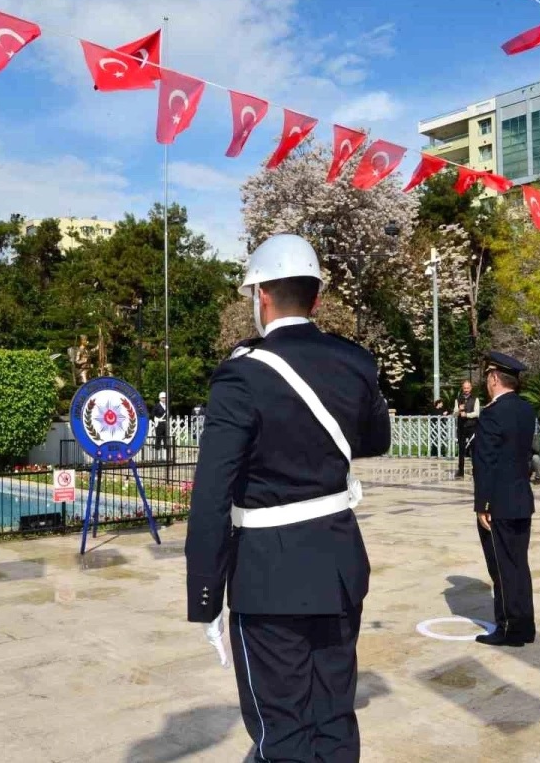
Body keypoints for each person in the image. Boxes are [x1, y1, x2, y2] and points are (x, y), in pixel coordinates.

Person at [184, 233, 392, 761]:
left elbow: (211, 493)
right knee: (335, 721)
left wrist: (205, 595)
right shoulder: (356, 361)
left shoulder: (242, 373)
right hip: (339, 564)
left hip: (268, 578)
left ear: (261, 296)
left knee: (283, 735)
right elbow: (376, 440)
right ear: (316, 299)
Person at [470, 351, 537, 647]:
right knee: (519, 565)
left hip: (499, 504)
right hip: (521, 499)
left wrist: (482, 505)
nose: (487, 382)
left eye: (488, 377)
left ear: (495, 378)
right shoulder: (525, 409)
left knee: (502, 568)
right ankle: (525, 626)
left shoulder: (492, 413)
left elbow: (485, 462)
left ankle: (509, 628)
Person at [455, 380, 481, 478]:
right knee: (461, 449)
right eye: (464, 388)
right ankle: (460, 471)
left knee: (474, 449)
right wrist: (459, 410)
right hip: (461, 427)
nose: (466, 390)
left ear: (471, 388)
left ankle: (476, 470)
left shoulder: (475, 399)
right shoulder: (458, 399)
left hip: (472, 426)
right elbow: (454, 413)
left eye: (468, 388)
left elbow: (477, 413)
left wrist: (467, 415)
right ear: (462, 388)